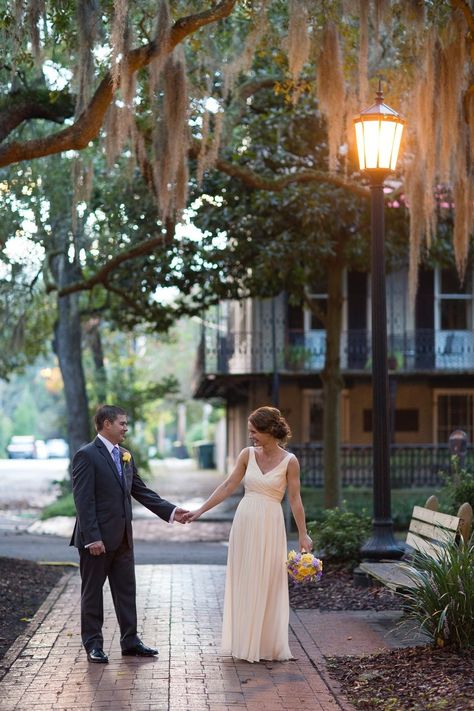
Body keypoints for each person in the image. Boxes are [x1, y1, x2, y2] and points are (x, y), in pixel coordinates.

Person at [185, 406, 312, 663]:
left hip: (271, 525)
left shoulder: (290, 461)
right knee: (245, 579)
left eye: (255, 431)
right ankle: (245, 642)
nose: (251, 435)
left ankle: (266, 645)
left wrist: (303, 535)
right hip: (244, 523)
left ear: (270, 430)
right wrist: (200, 511)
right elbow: (227, 485)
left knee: (268, 581)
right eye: (250, 431)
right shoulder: (247, 455)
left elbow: (295, 500)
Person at [70, 404, 188, 664]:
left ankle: (130, 641)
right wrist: (92, 537)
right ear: (106, 424)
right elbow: (83, 500)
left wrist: (172, 511)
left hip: (123, 538)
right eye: (122, 423)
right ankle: (93, 645)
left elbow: (140, 490)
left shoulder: (125, 455)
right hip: (96, 541)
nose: (126, 428)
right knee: (92, 593)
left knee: (126, 591)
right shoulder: (86, 455)